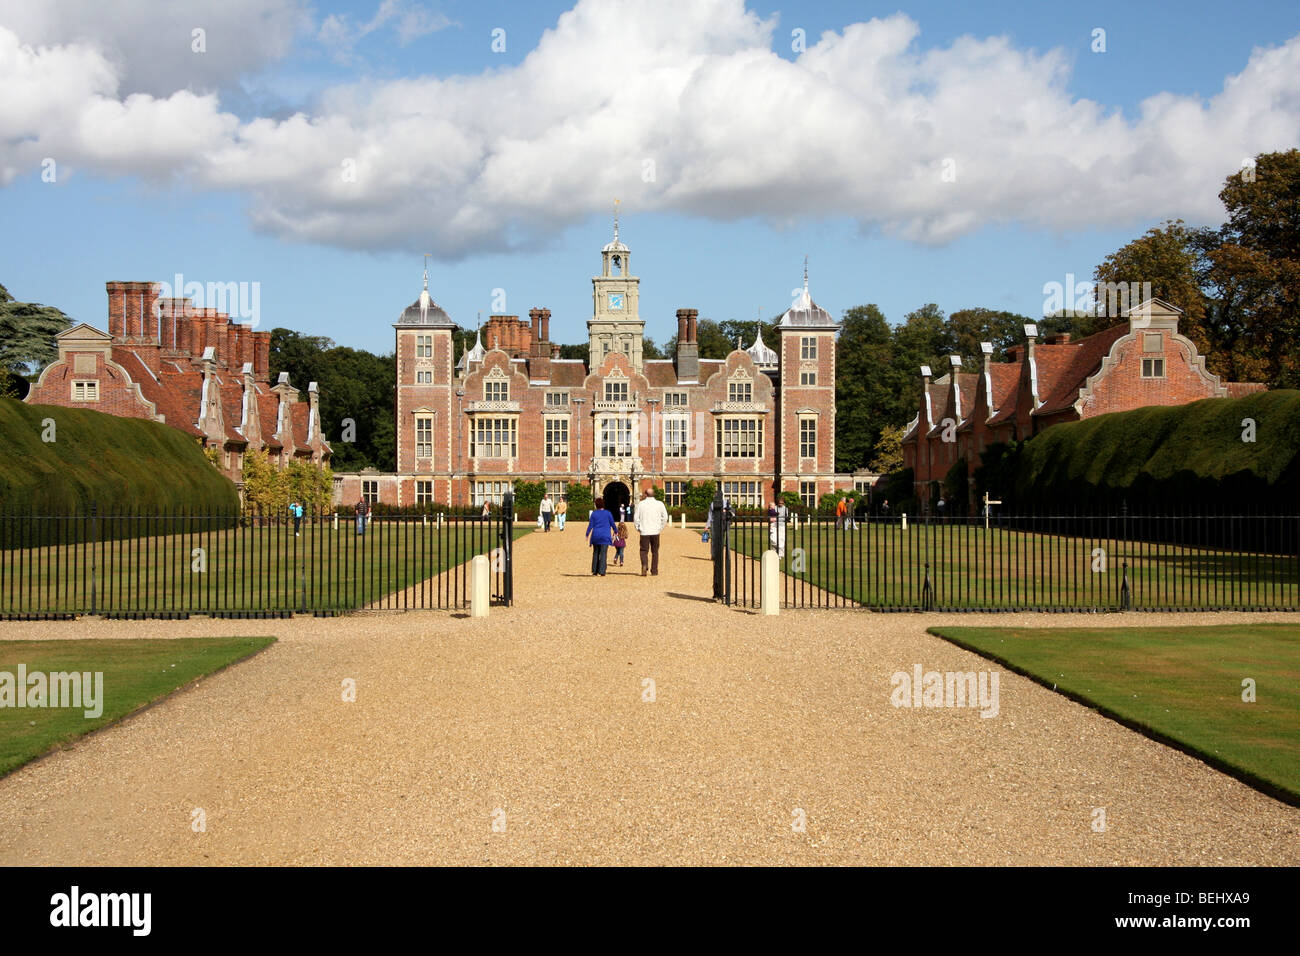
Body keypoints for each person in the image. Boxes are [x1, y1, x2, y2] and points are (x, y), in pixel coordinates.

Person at [633, 487, 669, 576]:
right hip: (655, 531)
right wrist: (660, 527)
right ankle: (654, 570)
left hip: (644, 531)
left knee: (644, 551)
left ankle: (644, 564)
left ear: (645, 494)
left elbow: (636, 518)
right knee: (655, 552)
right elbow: (665, 517)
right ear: (654, 494)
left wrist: (638, 527)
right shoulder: (659, 504)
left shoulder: (641, 504)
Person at [586, 497, 615, 576]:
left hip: (596, 535)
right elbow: (612, 524)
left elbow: (590, 525)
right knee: (603, 553)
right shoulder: (608, 513)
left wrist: (587, 534)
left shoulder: (594, 513)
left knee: (595, 553)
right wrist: (616, 531)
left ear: (596, 505)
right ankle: (602, 571)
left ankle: (594, 570)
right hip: (605, 536)